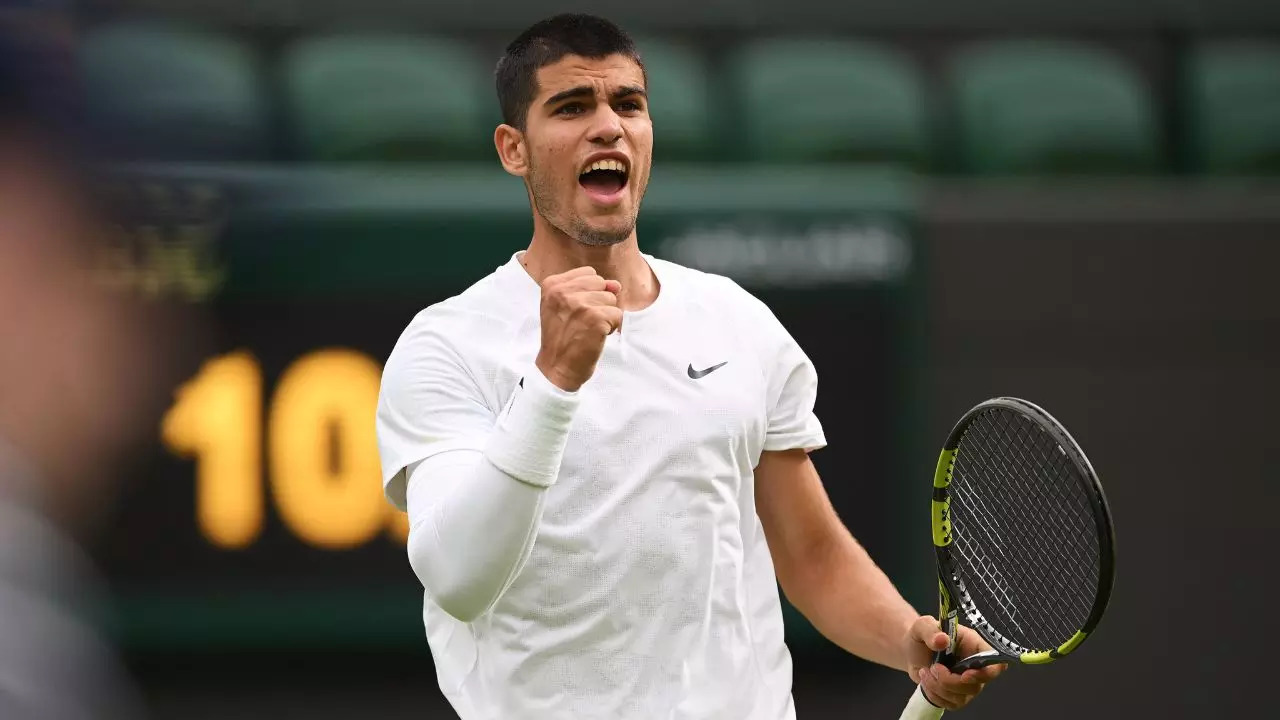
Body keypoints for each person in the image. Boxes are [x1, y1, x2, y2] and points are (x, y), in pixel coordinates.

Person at [376, 14, 1002, 718]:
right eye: (573, 106)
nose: (608, 126)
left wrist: (908, 640)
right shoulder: (446, 345)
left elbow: (812, 556)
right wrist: (552, 381)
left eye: (629, 104)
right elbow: (457, 577)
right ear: (512, 149)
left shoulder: (738, 322)